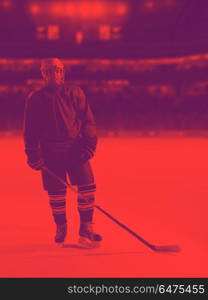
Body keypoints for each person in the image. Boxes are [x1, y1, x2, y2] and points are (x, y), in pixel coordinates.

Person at [23, 58, 102, 246]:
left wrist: (89, 145)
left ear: (63, 72)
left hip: (76, 148)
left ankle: (86, 227)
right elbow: (30, 130)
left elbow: (87, 121)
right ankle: (61, 226)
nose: (54, 74)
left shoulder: (75, 92)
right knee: (56, 192)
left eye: (58, 70)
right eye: (49, 71)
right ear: (43, 74)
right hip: (50, 152)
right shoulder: (35, 99)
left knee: (87, 187)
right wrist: (33, 154)